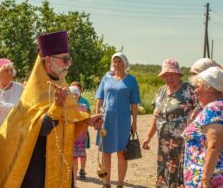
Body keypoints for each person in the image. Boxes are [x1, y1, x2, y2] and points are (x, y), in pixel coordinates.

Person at [0, 31, 102, 188]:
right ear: (48, 60)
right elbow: (39, 129)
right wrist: (56, 106)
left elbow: (69, 116)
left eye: (68, 59)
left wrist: (88, 120)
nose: (68, 64)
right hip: (37, 165)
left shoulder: (62, 83)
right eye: (65, 59)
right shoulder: (33, 91)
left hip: (61, 160)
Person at [142, 58, 198, 188]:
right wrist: (148, 137)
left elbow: (200, 111)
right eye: (166, 75)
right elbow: (155, 116)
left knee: (180, 169)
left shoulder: (189, 89)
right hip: (164, 143)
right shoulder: (161, 91)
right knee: (164, 168)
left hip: (183, 142)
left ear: (179, 75)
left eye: (172, 75)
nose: (169, 78)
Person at [95, 52, 141, 188]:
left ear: (125, 63)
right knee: (106, 152)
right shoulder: (106, 78)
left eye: (119, 61)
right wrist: (97, 117)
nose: (117, 64)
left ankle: (120, 184)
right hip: (106, 120)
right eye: (114, 61)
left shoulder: (131, 80)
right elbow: (99, 99)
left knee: (121, 152)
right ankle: (106, 182)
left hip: (123, 120)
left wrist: (135, 123)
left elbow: (134, 104)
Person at [182, 67, 223, 188]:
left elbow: (214, 145)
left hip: (210, 178)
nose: (195, 91)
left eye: (197, 87)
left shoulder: (214, 108)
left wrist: (205, 180)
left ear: (209, 88)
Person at [70, 81, 91, 180]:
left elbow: (87, 119)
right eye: (72, 94)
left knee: (76, 157)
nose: (74, 96)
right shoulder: (66, 107)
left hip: (79, 136)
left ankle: (75, 179)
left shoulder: (83, 105)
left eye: (75, 94)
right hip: (68, 137)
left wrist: (85, 131)